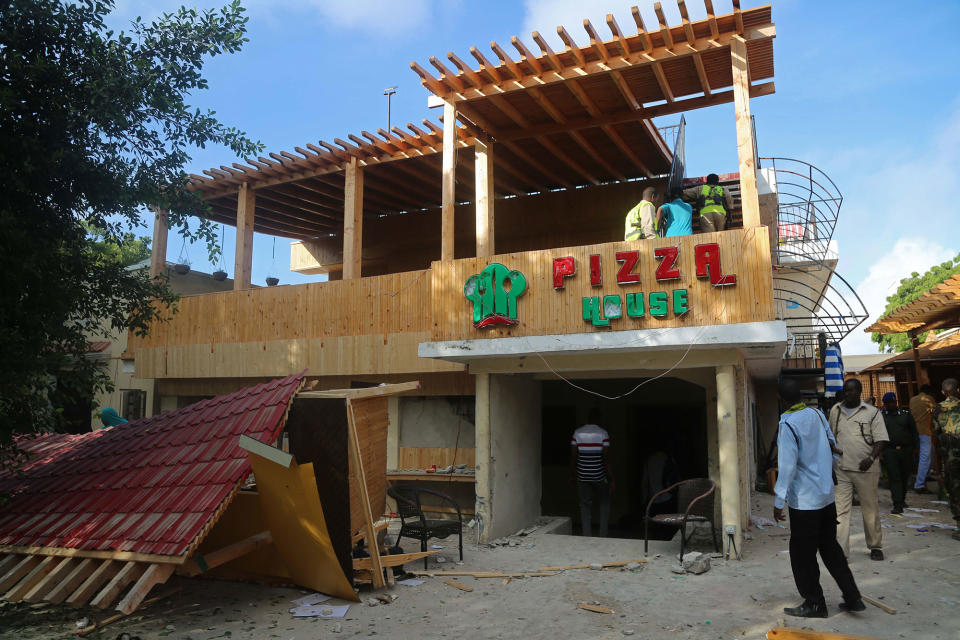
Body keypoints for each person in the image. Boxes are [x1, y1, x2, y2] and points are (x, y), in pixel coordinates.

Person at [774, 378, 863, 618]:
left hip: (805, 501)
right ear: (801, 397)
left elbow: (787, 466)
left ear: (781, 400)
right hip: (825, 496)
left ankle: (814, 603)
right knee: (830, 548)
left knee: (802, 554)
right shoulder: (817, 415)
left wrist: (778, 500)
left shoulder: (788, 424)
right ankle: (853, 597)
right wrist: (826, 472)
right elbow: (832, 445)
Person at [828, 378, 889, 560]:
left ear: (859, 392)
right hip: (842, 468)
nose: (847, 394)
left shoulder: (872, 413)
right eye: (845, 390)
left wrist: (871, 458)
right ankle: (841, 551)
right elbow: (830, 436)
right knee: (841, 511)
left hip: (865, 469)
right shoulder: (836, 410)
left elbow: (881, 440)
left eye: (851, 390)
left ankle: (875, 546)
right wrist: (833, 449)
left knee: (870, 509)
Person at [570, 408, 615, 537]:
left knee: (585, 506)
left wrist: (572, 475)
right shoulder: (603, 433)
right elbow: (606, 459)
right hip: (599, 476)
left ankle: (586, 535)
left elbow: (573, 457)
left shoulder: (577, 433)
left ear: (588, 419)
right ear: (598, 420)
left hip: (582, 476)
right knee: (604, 502)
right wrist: (611, 479)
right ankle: (603, 535)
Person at [880, 392, 918, 514]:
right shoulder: (882, 417)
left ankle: (902, 499)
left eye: (892, 402)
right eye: (887, 403)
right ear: (884, 404)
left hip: (906, 450)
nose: (890, 405)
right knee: (894, 477)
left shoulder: (905, 415)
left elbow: (914, 432)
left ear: (895, 402)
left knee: (904, 476)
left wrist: (916, 449)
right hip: (889, 451)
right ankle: (897, 504)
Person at [933, 378, 960, 541]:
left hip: (949, 456)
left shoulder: (937, 409)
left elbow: (936, 433)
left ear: (943, 392)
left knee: (955, 489)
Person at [910, 383, 937, 494]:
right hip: (925, 430)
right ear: (929, 392)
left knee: (931, 452)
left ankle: (927, 475)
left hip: (914, 431)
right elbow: (936, 412)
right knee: (925, 457)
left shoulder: (913, 399)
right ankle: (919, 484)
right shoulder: (929, 399)